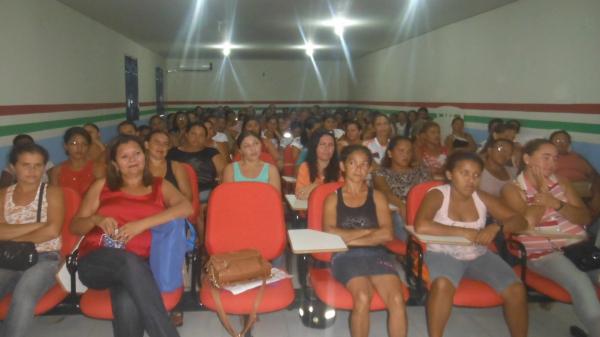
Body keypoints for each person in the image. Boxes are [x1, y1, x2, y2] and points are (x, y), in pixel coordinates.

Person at [71, 135, 192, 337]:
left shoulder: (159, 185)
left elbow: (186, 207)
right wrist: (96, 219)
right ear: (115, 164)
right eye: (125, 156)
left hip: (142, 268)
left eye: (136, 154)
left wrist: (140, 225)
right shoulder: (103, 186)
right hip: (97, 262)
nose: (132, 160)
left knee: (127, 300)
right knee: (128, 262)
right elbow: (75, 226)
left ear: (144, 157)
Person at [415, 151, 528, 337]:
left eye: (476, 175)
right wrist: (464, 231)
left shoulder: (481, 197)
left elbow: (520, 221)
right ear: (450, 175)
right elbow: (422, 225)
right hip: (443, 254)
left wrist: (496, 228)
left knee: (516, 289)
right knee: (442, 285)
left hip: (478, 255)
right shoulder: (437, 195)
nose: (471, 180)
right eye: (465, 173)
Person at [502, 139, 599, 337]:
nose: (552, 164)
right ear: (527, 159)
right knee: (581, 282)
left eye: (555, 159)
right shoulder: (512, 189)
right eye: (545, 158)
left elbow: (585, 217)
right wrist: (542, 192)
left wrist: (557, 204)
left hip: (578, 246)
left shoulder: (561, 182)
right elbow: (527, 224)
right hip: (543, 253)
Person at [323, 145, 407, 337]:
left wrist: (348, 236)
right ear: (343, 166)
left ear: (370, 168)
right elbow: (329, 234)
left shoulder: (377, 197)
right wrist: (369, 231)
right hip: (344, 256)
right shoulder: (332, 199)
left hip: (377, 254)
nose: (358, 169)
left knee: (396, 298)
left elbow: (386, 234)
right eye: (353, 163)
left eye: (364, 164)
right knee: (362, 296)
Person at [0, 143, 64, 337]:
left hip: (45, 258)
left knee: (25, 293)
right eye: (26, 165)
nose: (32, 170)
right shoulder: (3, 195)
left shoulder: (52, 192)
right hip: (8, 258)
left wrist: (12, 234)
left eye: (38, 165)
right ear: (12, 167)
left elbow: (52, 231)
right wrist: (38, 225)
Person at [373, 136, 431, 240]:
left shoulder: (421, 172)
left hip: (422, 211)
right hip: (397, 211)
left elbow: (432, 193)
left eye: (409, 151)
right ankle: (413, 244)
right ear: (390, 153)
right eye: (401, 151)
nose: (406, 155)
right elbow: (385, 192)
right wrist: (402, 206)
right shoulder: (381, 173)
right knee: (397, 216)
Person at [167, 123, 225, 205]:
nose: (197, 138)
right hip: (180, 193)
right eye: (193, 134)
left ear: (205, 138)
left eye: (201, 135)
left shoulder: (212, 153)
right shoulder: (173, 153)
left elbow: (223, 173)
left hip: (207, 192)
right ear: (186, 134)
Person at [550, 130, 600, 221]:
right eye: (557, 141)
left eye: (565, 141)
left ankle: (588, 222)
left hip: (585, 190)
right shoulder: (549, 158)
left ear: (569, 144)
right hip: (562, 191)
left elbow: (593, 174)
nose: (561, 144)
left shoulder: (577, 157)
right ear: (550, 143)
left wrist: (596, 188)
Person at [49, 127, 105, 197]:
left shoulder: (98, 168)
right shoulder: (57, 171)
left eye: (84, 144)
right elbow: (54, 197)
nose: (79, 148)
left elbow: (103, 197)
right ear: (66, 146)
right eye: (74, 143)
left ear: (88, 147)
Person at [295, 129, 341, 200]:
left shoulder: (341, 168)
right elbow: (300, 194)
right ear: (314, 147)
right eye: (322, 144)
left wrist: (316, 187)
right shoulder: (305, 167)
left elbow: (342, 193)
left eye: (331, 145)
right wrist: (327, 189)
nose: (327, 148)